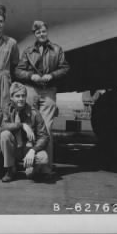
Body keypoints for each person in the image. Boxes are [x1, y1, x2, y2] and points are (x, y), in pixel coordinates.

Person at [15, 20, 70, 169]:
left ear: (47, 32)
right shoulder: (28, 51)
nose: (41, 34)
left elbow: (64, 68)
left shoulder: (57, 50)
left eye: (43, 31)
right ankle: (31, 164)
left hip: (48, 91)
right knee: (31, 128)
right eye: (38, 32)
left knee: (46, 129)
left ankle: (46, 167)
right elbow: (18, 71)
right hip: (32, 90)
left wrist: (51, 75)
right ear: (34, 34)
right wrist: (30, 76)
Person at [0, 82, 53, 183]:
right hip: (13, 148)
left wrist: (33, 150)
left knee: (43, 158)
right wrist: (21, 125)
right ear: (11, 97)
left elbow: (44, 136)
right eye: (17, 96)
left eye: (23, 96)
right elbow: (2, 126)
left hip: (28, 148)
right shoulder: (7, 109)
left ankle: (31, 168)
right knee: (4, 134)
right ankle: (10, 169)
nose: (21, 99)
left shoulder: (34, 112)